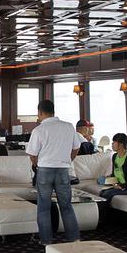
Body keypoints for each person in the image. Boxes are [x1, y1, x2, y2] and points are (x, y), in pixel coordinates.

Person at [25, 99, 82, 245]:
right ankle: (74, 238)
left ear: (40, 112)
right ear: (53, 111)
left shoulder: (39, 130)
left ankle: (46, 240)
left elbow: (32, 153)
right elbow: (76, 147)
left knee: (43, 207)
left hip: (45, 170)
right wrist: (68, 159)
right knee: (66, 206)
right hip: (63, 170)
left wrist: (37, 164)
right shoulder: (69, 127)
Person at [99, 133, 127, 202]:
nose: (112, 144)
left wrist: (121, 186)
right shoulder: (114, 156)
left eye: (114, 142)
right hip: (119, 185)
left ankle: (106, 212)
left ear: (121, 144)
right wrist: (111, 180)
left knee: (107, 194)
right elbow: (114, 173)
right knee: (102, 192)